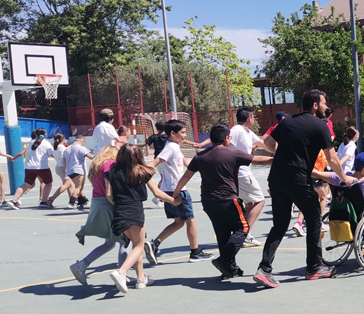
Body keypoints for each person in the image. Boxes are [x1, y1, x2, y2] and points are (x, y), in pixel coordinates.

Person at [255, 89, 355, 288]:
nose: (327, 107)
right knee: (314, 218)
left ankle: (264, 269)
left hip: (276, 179)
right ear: (315, 105)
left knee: (280, 225)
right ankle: (314, 267)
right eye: (325, 103)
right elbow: (332, 158)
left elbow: (266, 143)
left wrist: (283, 155)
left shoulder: (286, 122)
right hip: (298, 179)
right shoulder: (321, 125)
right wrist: (344, 178)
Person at [173, 124, 274, 280]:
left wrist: (175, 193)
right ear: (227, 138)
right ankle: (225, 259)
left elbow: (186, 176)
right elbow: (258, 160)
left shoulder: (201, 157)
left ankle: (228, 269)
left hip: (208, 201)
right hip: (228, 200)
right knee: (243, 228)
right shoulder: (232, 154)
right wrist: (278, 159)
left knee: (222, 233)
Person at [106, 144, 178, 295]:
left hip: (119, 209)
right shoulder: (142, 171)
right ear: (138, 156)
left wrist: (118, 204)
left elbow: (108, 195)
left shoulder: (112, 171)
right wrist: (173, 201)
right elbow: (157, 193)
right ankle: (122, 272)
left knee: (135, 244)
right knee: (139, 245)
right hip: (135, 209)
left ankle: (140, 278)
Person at [144, 119, 215, 265]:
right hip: (177, 190)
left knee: (179, 222)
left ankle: (154, 244)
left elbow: (187, 164)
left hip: (169, 190)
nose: (184, 136)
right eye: (182, 133)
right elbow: (155, 162)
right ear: (173, 133)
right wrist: (142, 172)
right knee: (190, 221)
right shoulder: (170, 148)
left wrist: (206, 171)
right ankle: (195, 253)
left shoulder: (175, 147)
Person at [69, 145, 129, 285]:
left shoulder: (96, 166)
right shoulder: (109, 164)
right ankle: (122, 274)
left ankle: (82, 264)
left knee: (110, 243)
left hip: (97, 201)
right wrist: (117, 204)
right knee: (125, 239)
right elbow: (109, 190)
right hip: (107, 202)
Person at [228, 108, 270, 247]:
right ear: (249, 118)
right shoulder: (237, 130)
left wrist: (280, 151)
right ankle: (244, 234)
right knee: (260, 201)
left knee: (250, 203)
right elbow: (226, 144)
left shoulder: (248, 132)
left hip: (242, 173)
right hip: (241, 173)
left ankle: (244, 233)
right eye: (253, 117)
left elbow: (263, 144)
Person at [7, 128, 56, 209]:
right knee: (48, 183)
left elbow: (27, 152)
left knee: (26, 184)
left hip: (29, 167)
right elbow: (52, 154)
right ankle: (44, 201)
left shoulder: (31, 142)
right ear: (45, 134)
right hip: (42, 167)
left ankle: (14, 201)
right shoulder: (47, 143)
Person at [55, 135, 94, 210]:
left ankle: (82, 201)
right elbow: (91, 156)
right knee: (79, 187)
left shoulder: (67, 148)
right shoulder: (81, 148)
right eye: (84, 142)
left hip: (70, 170)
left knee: (78, 186)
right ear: (81, 141)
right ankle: (72, 202)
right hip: (79, 169)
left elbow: (64, 159)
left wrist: (67, 168)